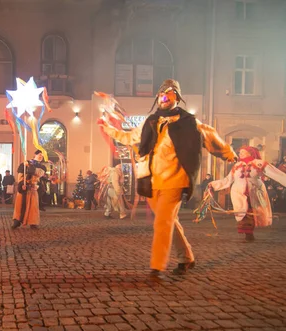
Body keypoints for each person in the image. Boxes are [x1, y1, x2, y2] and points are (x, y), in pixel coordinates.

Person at [98, 79, 237, 278]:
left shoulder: (189, 122)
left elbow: (210, 136)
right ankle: (186, 258)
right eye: (162, 93)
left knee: (162, 222)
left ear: (177, 97)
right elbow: (128, 137)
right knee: (169, 221)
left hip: (176, 180)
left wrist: (229, 154)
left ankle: (157, 266)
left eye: (170, 93)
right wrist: (107, 128)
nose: (164, 97)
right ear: (157, 97)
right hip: (152, 182)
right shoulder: (151, 122)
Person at [209, 146, 286, 241]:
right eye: (240, 152)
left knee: (253, 213)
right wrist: (213, 185)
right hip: (239, 193)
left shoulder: (259, 164)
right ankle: (248, 234)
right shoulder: (236, 166)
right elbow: (228, 180)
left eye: (243, 152)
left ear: (250, 153)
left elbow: (277, 174)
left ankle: (249, 234)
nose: (240, 153)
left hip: (255, 191)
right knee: (243, 214)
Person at [12, 150, 46, 229]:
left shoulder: (42, 167)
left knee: (33, 207)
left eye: (42, 155)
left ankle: (33, 222)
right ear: (35, 155)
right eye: (39, 154)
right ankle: (17, 221)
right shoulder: (24, 164)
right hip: (23, 188)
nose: (41, 156)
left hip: (33, 188)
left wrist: (30, 166)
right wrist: (21, 184)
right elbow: (20, 175)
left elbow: (38, 173)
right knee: (19, 205)